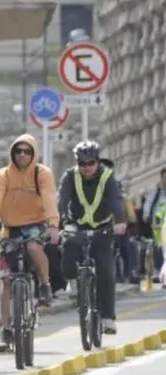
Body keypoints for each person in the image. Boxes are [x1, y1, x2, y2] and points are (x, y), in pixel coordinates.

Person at [0, 134, 60, 352]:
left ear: (33, 154)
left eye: (27, 151)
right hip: (10, 228)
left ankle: (44, 285)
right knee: (7, 280)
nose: (22, 155)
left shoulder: (42, 173)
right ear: (12, 153)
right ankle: (6, 330)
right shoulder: (3, 175)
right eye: (18, 151)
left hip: (35, 224)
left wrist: (53, 224)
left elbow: (49, 197)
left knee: (34, 247)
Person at [58, 141, 127, 335]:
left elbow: (116, 200)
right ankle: (73, 281)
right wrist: (58, 222)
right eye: (82, 163)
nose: (87, 167)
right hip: (77, 226)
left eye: (91, 163)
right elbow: (62, 199)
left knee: (106, 270)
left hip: (102, 228)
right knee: (68, 245)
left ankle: (108, 318)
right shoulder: (70, 176)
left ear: (97, 161)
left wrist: (120, 221)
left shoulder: (107, 176)